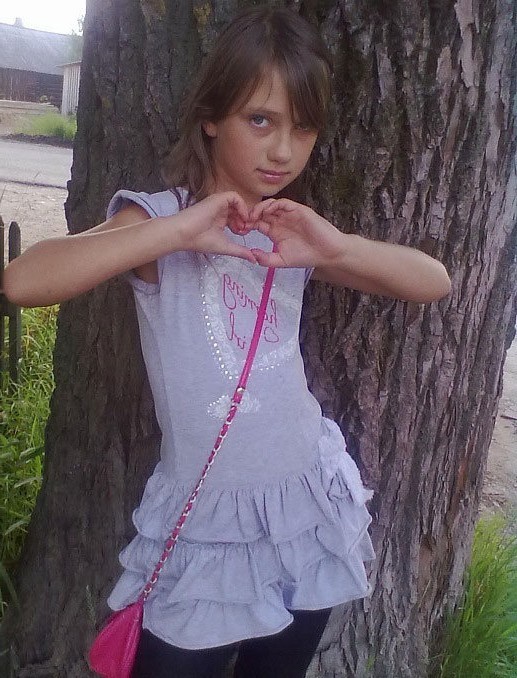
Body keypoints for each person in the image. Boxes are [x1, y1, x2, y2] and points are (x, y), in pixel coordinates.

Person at [3, 6, 451, 678]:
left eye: (303, 128)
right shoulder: (158, 221)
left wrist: (336, 247)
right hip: (205, 525)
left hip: (303, 506)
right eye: (260, 120)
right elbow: (24, 280)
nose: (283, 151)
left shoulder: (287, 233)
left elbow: (432, 282)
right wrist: (181, 230)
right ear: (212, 116)